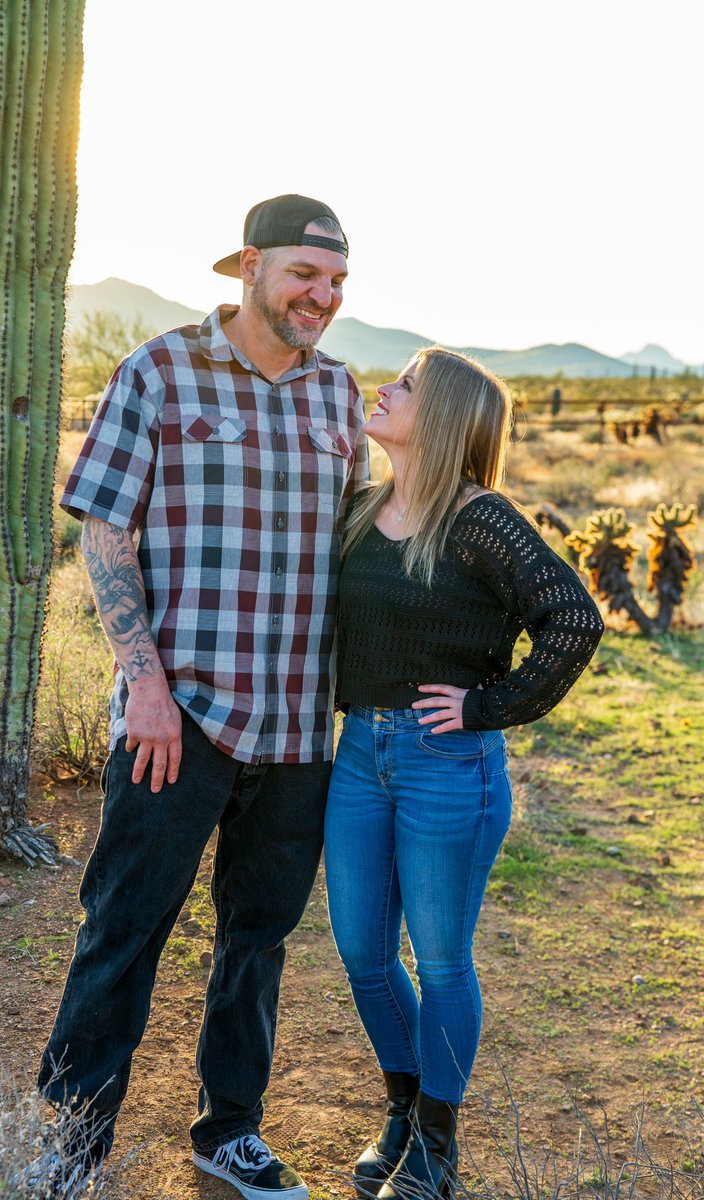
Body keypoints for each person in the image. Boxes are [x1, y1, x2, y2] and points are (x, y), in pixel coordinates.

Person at [34, 194, 370, 1200]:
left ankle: (229, 1132)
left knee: (256, 940)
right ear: (250, 267)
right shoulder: (160, 371)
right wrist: (141, 684)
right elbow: (104, 531)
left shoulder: (337, 394)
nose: (323, 295)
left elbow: (355, 548)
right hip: (175, 723)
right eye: (306, 274)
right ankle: (70, 1139)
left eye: (338, 281)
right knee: (123, 925)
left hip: (301, 728)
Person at [324, 347, 605, 1200]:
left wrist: (485, 709)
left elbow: (573, 619)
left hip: (447, 761)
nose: (384, 389)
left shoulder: (481, 519)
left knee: (441, 960)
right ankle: (404, 1111)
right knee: (364, 954)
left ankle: (435, 1151)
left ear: (439, 415)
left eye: (403, 385)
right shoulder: (362, 506)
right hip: (359, 759)